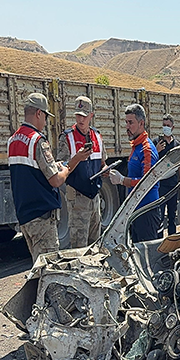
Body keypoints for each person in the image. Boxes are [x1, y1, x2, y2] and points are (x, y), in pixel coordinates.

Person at [8, 93, 90, 263]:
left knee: (38, 265)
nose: (45, 122)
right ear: (39, 113)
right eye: (45, 116)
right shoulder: (37, 140)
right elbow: (56, 180)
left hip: (25, 215)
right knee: (50, 269)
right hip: (41, 216)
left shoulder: (13, 139)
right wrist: (70, 165)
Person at [56, 96, 106, 247]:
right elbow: (60, 166)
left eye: (84, 116)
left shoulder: (97, 136)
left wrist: (105, 170)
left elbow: (102, 162)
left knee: (95, 243)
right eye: (78, 115)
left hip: (95, 197)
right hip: (78, 197)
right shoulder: (67, 137)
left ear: (91, 115)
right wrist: (76, 158)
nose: (81, 119)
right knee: (79, 245)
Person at [109, 104, 162, 243]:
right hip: (136, 211)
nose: (127, 127)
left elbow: (147, 183)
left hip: (146, 211)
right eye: (126, 122)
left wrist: (122, 180)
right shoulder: (136, 146)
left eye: (130, 122)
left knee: (146, 257)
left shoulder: (146, 149)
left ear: (141, 123)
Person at [156, 114, 180, 235]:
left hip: (173, 185)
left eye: (168, 126)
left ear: (173, 128)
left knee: (172, 216)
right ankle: (158, 242)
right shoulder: (157, 142)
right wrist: (156, 150)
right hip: (160, 184)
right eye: (164, 125)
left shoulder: (177, 145)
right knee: (159, 216)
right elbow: (151, 161)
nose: (165, 128)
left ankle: (172, 241)